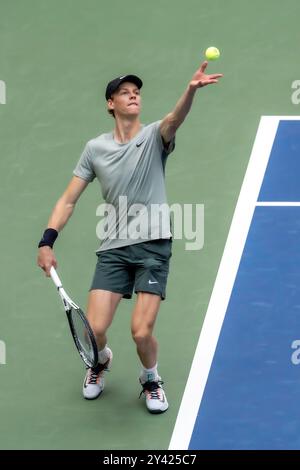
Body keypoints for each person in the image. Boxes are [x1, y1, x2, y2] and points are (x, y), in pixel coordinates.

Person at [37, 62, 223, 414]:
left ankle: (150, 378)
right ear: (111, 104)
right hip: (113, 249)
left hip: (153, 246)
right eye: (125, 92)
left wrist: (191, 91)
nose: (133, 94)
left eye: (136, 91)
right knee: (94, 331)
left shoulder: (154, 135)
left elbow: (174, 119)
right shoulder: (95, 149)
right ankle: (100, 360)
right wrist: (47, 241)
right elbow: (68, 199)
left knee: (140, 332)